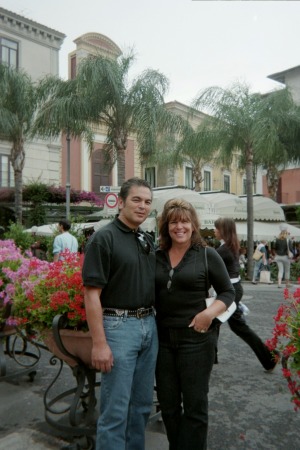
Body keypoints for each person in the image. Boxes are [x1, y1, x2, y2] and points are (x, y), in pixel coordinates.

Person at [82, 177, 158, 450]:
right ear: (122, 202)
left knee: (140, 408)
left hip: (149, 325)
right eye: (136, 200)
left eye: (147, 202)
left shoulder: (146, 239)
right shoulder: (104, 238)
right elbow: (91, 294)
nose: (142, 206)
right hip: (118, 328)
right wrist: (99, 343)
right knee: (115, 412)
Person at [155, 199, 235, 450]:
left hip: (197, 341)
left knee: (194, 406)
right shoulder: (156, 256)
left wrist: (208, 314)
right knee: (168, 406)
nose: (179, 226)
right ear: (166, 226)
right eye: (174, 222)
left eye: (185, 221)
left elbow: (227, 293)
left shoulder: (206, 254)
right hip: (163, 341)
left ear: (194, 225)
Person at [214, 217, 280, 372]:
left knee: (215, 323)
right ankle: (269, 357)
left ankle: (269, 358)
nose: (214, 230)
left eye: (217, 228)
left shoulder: (223, 250)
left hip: (229, 292)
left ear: (223, 230)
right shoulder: (230, 246)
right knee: (232, 326)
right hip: (234, 289)